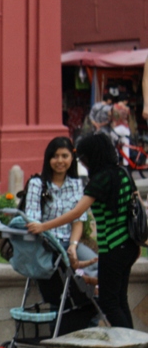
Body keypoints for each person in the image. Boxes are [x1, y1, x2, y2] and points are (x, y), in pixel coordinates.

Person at [27, 133, 140, 328]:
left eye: (84, 157)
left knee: (109, 302)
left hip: (112, 247)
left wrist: (44, 226)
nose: (83, 162)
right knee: (120, 299)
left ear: (94, 155)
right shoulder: (123, 173)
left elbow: (77, 212)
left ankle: (132, 347)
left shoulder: (100, 180)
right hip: (129, 246)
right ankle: (135, 347)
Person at [24, 137, 98, 278]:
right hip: (47, 246)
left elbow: (78, 220)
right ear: (48, 159)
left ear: (72, 158)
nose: (60, 161)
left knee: (99, 266)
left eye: (65, 156)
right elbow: (34, 223)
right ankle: (82, 278)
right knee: (70, 271)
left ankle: (87, 283)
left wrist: (73, 245)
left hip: (69, 244)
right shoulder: (36, 184)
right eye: (55, 156)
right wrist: (45, 229)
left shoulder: (77, 185)